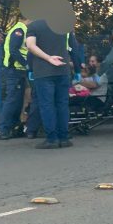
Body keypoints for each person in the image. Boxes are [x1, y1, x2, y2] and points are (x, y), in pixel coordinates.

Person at [25, 20, 83, 149]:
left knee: (47, 105)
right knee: (62, 104)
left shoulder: (34, 26)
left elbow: (30, 47)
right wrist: (78, 70)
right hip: (63, 71)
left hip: (43, 71)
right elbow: (74, 49)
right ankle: (64, 137)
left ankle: (52, 139)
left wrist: (32, 68)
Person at [0, 15, 32, 139]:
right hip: (14, 70)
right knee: (12, 100)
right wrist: (26, 64)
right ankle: (3, 129)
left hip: (19, 70)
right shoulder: (19, 30)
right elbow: (13, 50)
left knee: (17, 101)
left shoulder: (22, 29)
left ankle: (12, 127)